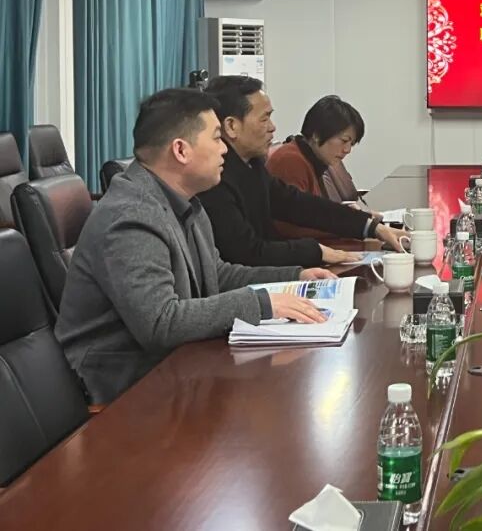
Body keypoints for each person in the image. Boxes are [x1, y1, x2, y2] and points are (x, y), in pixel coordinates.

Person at [54, 88, 336, 403]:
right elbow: (161, 322)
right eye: (216, 138)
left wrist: (294, 277)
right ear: (181, 150)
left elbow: (216, 274)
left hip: (176, 367)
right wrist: (261, 303)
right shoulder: (131, 216)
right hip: (123, 386)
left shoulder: (185, 201)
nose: (224, 149)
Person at [198, 76, 405, 268]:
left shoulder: (253, 164)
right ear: (231, 126)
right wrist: (315, 252)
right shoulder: (214, 178)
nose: (273, 127)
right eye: (264, 119)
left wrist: (370, 227)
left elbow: (297, 204)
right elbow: (247, 253)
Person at [267, 95, 373, 240]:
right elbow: (292, 228)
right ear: (316, 135)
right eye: (344, 141)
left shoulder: (314, 158)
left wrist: (350, 217)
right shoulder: (290, 161)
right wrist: (350, 225)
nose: (348, 150)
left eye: (352, 144)